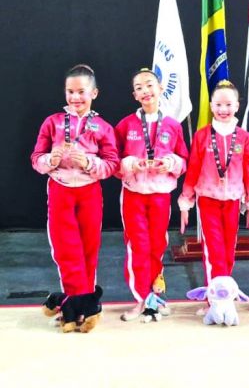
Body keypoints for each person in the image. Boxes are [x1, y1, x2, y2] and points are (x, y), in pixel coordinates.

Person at [30, 64, 119, 323]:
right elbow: (36, 159)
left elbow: (112, 165)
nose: (75, 97)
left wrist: (89, 162)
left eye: (81, 92)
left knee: (89, 248)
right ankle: (75, 302)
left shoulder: (102, 127)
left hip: (89, 191)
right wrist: (50, 159)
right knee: (65, 248)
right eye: (70, 91)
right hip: (60, 189)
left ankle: (84, 304)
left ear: (94, 93)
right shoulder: (53, 122)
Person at [178, 79, 249, 316]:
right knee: (213, 249)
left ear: (237, 106)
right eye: (218, 105)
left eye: (228, 104)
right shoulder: (202, 136)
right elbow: (193, 169)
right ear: (211, 106)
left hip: (233, 200)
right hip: (208, 199)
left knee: (228, 249)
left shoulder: (244, 137)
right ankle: (213, 299)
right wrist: (186, 202)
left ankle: (224, 293)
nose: (223, 109)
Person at [115, 68, 188, 321]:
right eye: (139, 88)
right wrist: (130, 164)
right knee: (138, 245)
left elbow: (184, 159)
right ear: (134, 95)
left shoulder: (173, 125)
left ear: (160, 89)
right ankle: (140, 299)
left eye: (149, 85)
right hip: (134, 194)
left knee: (157, 244)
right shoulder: (125, 125)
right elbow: (113, 160)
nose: (145, 91)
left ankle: (155, 296)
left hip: (160, 195)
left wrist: (171, 163)